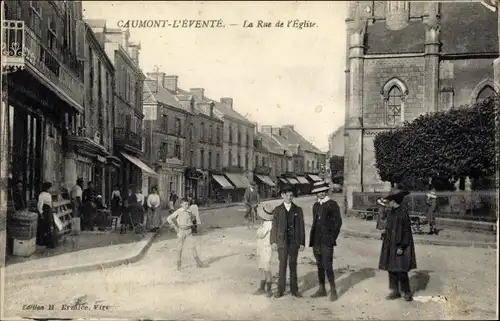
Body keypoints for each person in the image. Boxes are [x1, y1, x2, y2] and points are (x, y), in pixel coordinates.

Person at [378, 190, 416, 302]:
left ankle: (407, 292)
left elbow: (406, 232)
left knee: (401, 269)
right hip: (390, 244)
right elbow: (387, 223)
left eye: (389, 201)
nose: (388, 203)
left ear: (394, 201)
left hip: (400, 245)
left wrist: (401, 246)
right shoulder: (391, 212)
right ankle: (395, 291)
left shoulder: (402, 213)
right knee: (391, 268)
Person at [309, 181, 342, 301]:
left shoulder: (332, 204)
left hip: (327, 241)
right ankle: (322, 289)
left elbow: (338, 223)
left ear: (326, 191)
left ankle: (333, 290)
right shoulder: (316, 206)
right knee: (319, 265)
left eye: (323, 191)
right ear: (316, 193)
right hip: (316, 240)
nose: (321, 193)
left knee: (328, 265)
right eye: (319, 192)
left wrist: (332, 237)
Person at [270, 184, 305, 298]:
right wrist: (273, 241)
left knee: (293, 265)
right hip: (282, 242)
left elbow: (301, 227)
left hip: (294, 242)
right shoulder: (277, 210)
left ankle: (295, 290)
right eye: (287, 195)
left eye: (291, 195)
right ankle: (280, 290)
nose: (290, 197)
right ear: (282, 195)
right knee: (282, 265)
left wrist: (302, 242)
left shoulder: (298, 210)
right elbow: (274, 227)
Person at [166, 198, 206, 270]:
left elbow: (192, 218)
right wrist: (175, 226)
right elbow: (169, 218)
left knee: (192, 246)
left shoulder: (189, 211)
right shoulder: (178, 211)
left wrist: (192, 220)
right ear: (181, 204)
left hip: (189, 231)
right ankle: (179, 264)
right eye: (185, 204)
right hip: (181, 232)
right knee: (179, 248)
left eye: (187, 204)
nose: (186, 205)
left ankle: (198, 263)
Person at [253, 203, 275, 297]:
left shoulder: (268, 224)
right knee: (262, 267)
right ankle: (262, 287)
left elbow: (260, 234)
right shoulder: (265, 223)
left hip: (266, 248)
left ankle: (269, 289)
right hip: (262, 247)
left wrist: (258, 230)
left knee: (266, 268)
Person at [37, 182, 57, 248]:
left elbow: (39, 206)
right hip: (46, 212)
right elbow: (41, 205)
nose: (50, 189)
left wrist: (41, 213)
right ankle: (50, 242)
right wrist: (41, 213)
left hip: (47, 212)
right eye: (50, 188)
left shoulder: (44, 194)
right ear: (47, 188)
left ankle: (47, 242)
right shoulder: (44, 195)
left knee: (46, 227)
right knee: (48, 226)